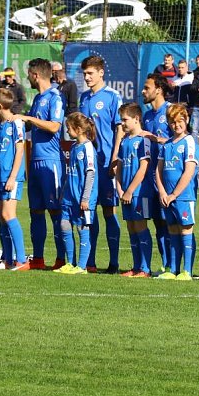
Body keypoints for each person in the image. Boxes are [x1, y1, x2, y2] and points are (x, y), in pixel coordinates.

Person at [18, 58, 65, 270]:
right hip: (35, 161)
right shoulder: (37, 98)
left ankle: (62, 259)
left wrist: (28, 119)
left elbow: (55, 126)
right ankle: (37, 259)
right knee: (35, 211)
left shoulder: (55, 97)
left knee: (55, 211)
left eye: (29, 73)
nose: (27, 77)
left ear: (35, 75)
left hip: (51, 161)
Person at [79, 55, 123, 273]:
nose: (86, 77)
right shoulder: (84, 98)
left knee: (109, 210)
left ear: (101, 72)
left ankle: (114, 262)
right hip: (89, 164)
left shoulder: (113, 96)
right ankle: (91, 261)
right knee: (89, 212)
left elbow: (120, 129)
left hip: (106, 163)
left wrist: (114, 157)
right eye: (84, 74)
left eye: (90, 73)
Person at [155, 104, 199, 280]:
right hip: (167, 197)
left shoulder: (189, 142)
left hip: (183, 196)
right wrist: (163, 192)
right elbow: (158, 170)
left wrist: (174, 194)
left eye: (180, 121)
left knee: (186, 230)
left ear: (187, 120)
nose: (176, 125)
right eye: (173, 122)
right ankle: (173, 269)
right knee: (172, 231)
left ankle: (186, 271)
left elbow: (189, 171)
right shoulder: (166, 145)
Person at [0, 87, 28, 271]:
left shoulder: (16, 123)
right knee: (2, 217)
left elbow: (20, 150)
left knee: (8, 215)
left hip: (11, 177)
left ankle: (21, 260)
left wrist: (13, 177)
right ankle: (8, 260)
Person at [54, 113, 98, 275]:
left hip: (82, 198)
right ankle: (70, 263)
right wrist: (64, 191)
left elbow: (90, 174)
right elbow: (70, 172)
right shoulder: (73, 147)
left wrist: (86, 197)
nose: (67, 131)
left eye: (69, 128)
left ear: (78, 129)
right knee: (64, 225)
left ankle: (81, 266)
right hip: (69, 197)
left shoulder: (88, 148)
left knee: (82, 228)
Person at [141, 74, 173, 275]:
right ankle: (164, 264)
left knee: (171, 223)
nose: (143, 91)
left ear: (158, 89)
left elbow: (182, 139)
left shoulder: (171, 111)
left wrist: (157, 139)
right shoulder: (146, 115)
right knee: (158, 223)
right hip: (150, 175)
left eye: (147, 87)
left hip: (167, 176)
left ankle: (175, 265)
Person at [116, 103, 153, 278]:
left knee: (140, 226)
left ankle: (145, 269)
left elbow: (143, 168)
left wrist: (130, 190)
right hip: (126, 193)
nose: (122, 123)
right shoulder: (124, 142)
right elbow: (120, 168)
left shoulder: (143, 140)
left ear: (137, 119)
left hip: (140, 193)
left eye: (125, 119)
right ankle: (136, 266)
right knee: (131, 227)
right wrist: (119, 187)